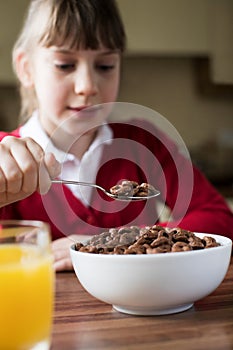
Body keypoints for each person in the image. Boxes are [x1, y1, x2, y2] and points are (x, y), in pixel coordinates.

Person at [0, 0, 232, 271]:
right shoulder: (6, 157)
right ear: (26, 68)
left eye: (105, 66)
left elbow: (219, 219)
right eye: (64, 65)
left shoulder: (144, 144)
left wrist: (108, 244)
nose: (87, 86)